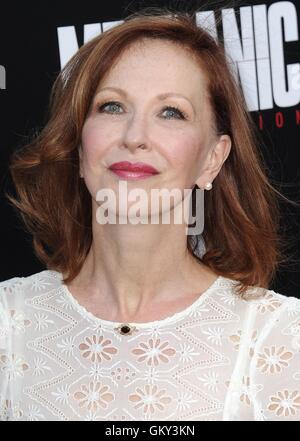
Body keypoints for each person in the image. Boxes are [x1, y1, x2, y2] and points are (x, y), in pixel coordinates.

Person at [1, 9, 300, 421]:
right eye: (111, 107)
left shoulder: (281, 338)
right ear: (78, 144)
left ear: (213, 159)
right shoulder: (7, 322)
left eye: (171, 112)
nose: (135, 137)